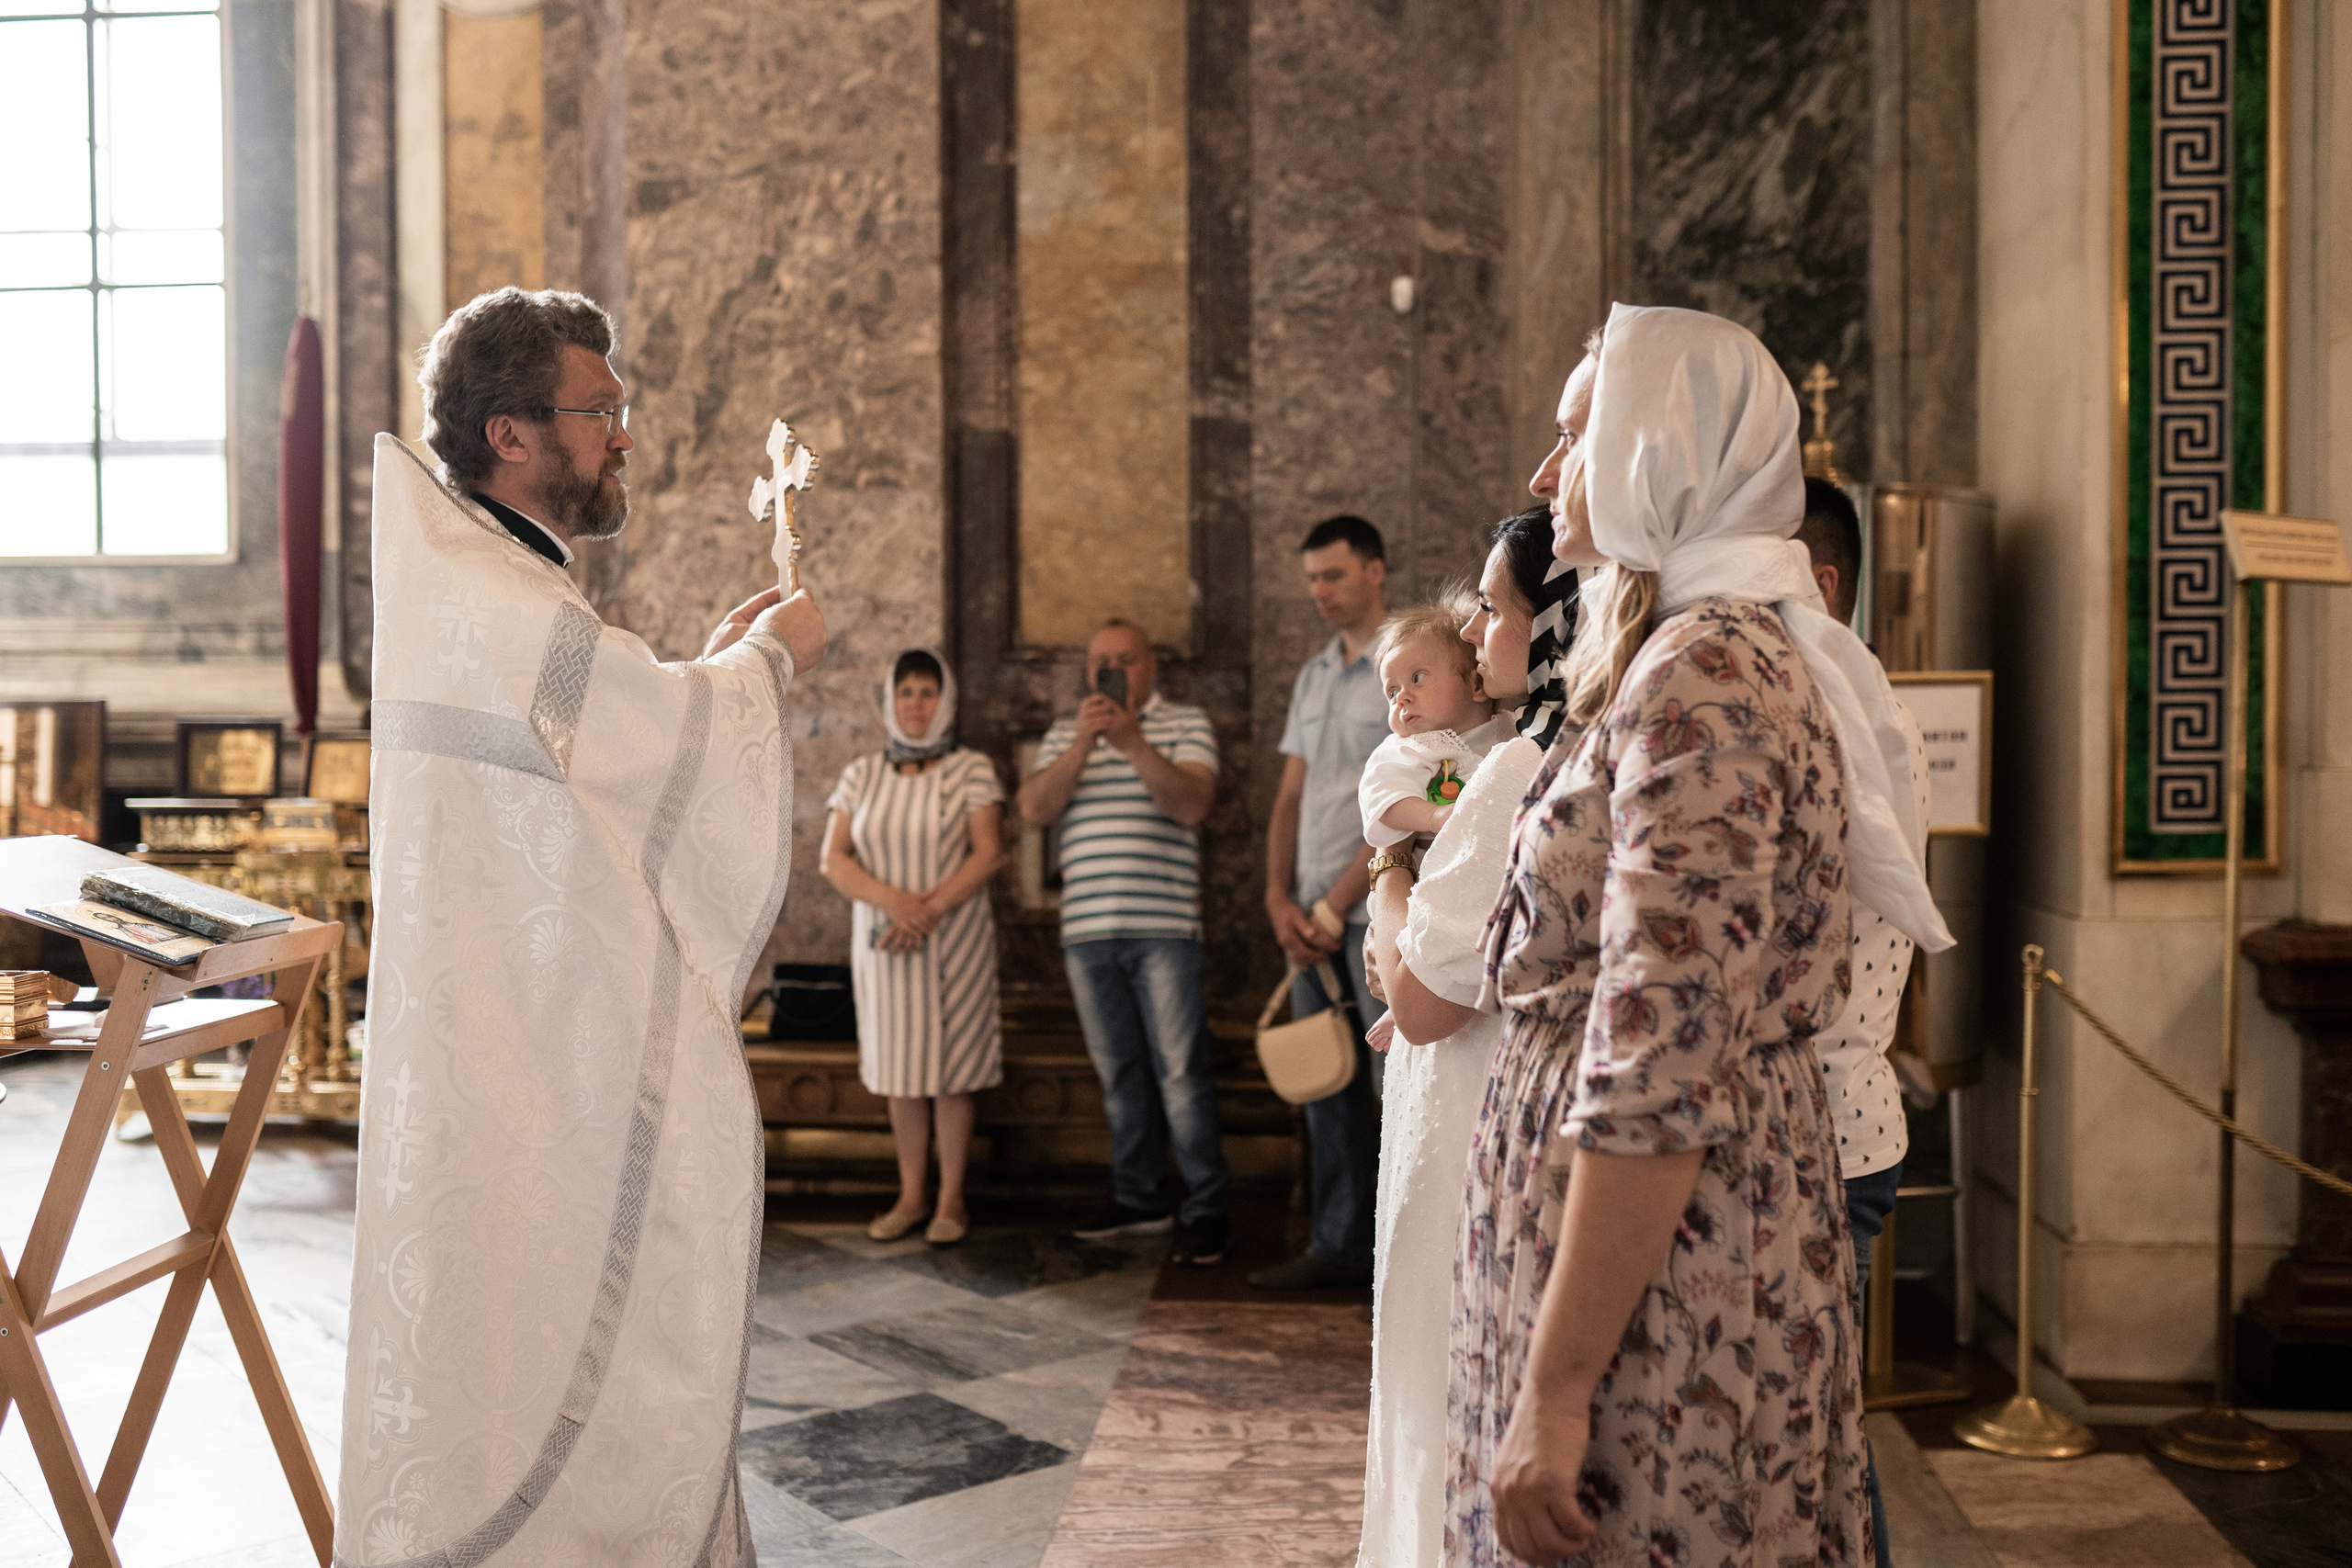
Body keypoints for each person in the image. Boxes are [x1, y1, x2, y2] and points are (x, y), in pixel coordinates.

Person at [1455, 305, 1951, 1567]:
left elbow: (1659, 1065)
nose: (1544, 470)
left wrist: (1558, 1390)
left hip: (1669, 1291)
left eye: (1576, 431)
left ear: (1660, 444)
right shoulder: (1683, 647)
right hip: (1655, 1254)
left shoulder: (1708, 676)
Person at [341, 287, 825, 1565]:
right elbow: (646, 737)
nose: (623, 435)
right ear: (511, 433)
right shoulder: (512, 603)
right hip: (534, 1059)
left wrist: (708, 671)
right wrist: (768, 667)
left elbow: (618, 750)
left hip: (508, 1043)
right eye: (599, 409)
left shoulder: (485, 589)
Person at [1353, 507, 1569, 1567]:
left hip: (1469, 1082)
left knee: (1440, 1333)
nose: (1481, 630)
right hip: (1489, 1081)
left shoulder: (1512, 763)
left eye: (1493, 608)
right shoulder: (1550, 746)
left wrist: (1387, 889)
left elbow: (1427, 991)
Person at [1798, 475, 1932, 1568]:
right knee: (1815, 1432)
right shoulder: (1827, 692)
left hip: (1829, 1132)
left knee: (1818, 1442)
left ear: (1819, 580)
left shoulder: (1837, 711)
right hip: (1830, 1124)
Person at [1016, 620, 1231, 1265]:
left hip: (1164, 926)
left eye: (1125, 659)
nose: (1112, 669)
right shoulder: (1066, 732)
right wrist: (1084, 744)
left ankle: (1207, 1208)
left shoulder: (1185, 724)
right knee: (1121, 1076)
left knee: (1181, 1076)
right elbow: (1031, 809)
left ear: (1151, 667)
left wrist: (1132, 741)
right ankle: (1140, 1199)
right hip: (1087, 932)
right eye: (1100, 660)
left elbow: (1193, 803)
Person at [820, 648, 1007, 1247]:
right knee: (902, 1069)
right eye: (906, 693)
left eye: (928, 692)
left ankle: (951, 1198)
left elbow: (988, 852)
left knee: (952, 1069)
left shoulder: (971, 768)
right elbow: (833, 859)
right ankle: (910, 1194)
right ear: (890, 701)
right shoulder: (861, 773)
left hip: (954, 938)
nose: (917, 704)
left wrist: (927, 909)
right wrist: (895, 902)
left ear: (945, 700)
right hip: (885, 942)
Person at [1255, 514, 1390, 1291]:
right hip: (1306, 919)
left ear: (1375, 571)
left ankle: (1391, 1264)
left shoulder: (1402, 665)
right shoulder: (1313, 674)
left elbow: (1410, 798)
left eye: (1333, 575)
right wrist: (1279, 897)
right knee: (1324, 1085)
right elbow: (1290, 796)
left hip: (1372, 913)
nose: (1320, 592)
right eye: (1311, 579)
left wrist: (1338, 905)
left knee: (1386, 1087)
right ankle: (1337, 1249)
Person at [1357, 599, 1503, 856]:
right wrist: (1432, 816)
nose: (1401, 698)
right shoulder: (1406, 748)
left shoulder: (1512, 728)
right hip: (1426, 874)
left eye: (1417, 678)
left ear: (1477, 685)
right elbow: (1384, 799)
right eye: (1391, 692)